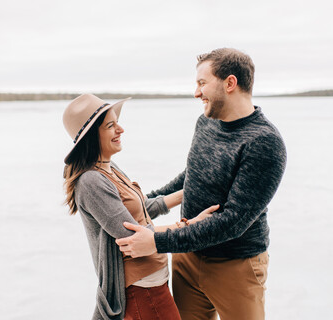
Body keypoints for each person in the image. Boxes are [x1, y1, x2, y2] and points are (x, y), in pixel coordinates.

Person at [116, 48, 287, 320]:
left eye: (202, 83)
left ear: (230, 83)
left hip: (235, 266)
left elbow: (233, 221)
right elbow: (192, 175)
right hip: (186, 257)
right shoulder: (206, 122)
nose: (197, 93)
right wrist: (143, 202)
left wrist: (157, 241)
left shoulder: (264, 142)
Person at [62, 94, 218, 320]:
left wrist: (189, 192)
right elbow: (132, 236)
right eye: (111, 126)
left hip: (154, 284)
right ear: (91, 137)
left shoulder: (109, 167)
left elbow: (142, 207)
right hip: (142, 290)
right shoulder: (91, 181)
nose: (121, 129)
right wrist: (190, 224)